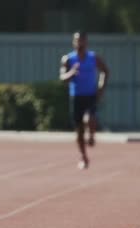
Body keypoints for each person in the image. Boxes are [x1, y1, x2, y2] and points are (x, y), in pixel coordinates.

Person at [60, 31, 109, 170]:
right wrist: (71, 73)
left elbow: (105, 71)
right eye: (77, 41)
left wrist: (101, 88)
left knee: (90, 118)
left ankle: (92, 135)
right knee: (79, 130)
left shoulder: (94, 58)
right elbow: (62, 78)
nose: (80, 43)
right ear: (73, 43)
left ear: (86, 42)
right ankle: (83, 156)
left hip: (91, 95)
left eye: (82, 40)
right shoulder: (68, 59)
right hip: (76, 96)